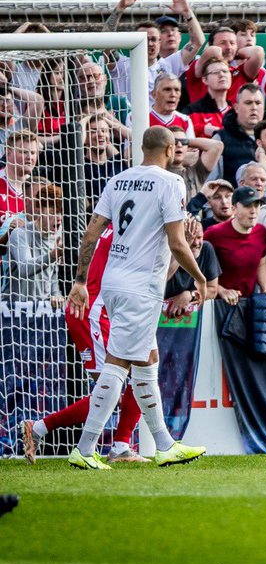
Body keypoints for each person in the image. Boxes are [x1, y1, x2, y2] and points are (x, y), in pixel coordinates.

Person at [64, 125, 208, 470]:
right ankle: (84, 449)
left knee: (147, 361)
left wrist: (80, 280)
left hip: (113, 282)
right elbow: (176, 242)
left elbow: (92, 231)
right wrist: (200, 278)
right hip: (140, 288)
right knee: (118, 366)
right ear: (171, 148)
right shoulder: (171, 183)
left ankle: (164, 444)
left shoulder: (118, 180)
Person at [21, 222, 147, 465]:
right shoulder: (133, 232)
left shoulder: (119, 227)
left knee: (136, 378)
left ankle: (120, 445)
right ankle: (41, 429)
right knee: (113, 388)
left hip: (99, 311)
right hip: (92, 312)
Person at [205, 186, 266, 304]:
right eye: (247, 206)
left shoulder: (261, 232)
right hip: (218, 304)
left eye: (256, 205)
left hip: (248, 303)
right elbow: (198, 270)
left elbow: (261, 264)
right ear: (234, 209)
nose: (253, 211)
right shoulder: (214, 233)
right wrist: (221, 291)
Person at [5, 182, 64, 300]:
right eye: (52, 212)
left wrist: (56, 295)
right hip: (14, 310)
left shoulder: (59, 235)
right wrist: (52, 256)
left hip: (42, 310)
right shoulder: (20, 234)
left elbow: (52, 276)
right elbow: (24, 269)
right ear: (39, 210)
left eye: (60, 213)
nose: (58, 217)